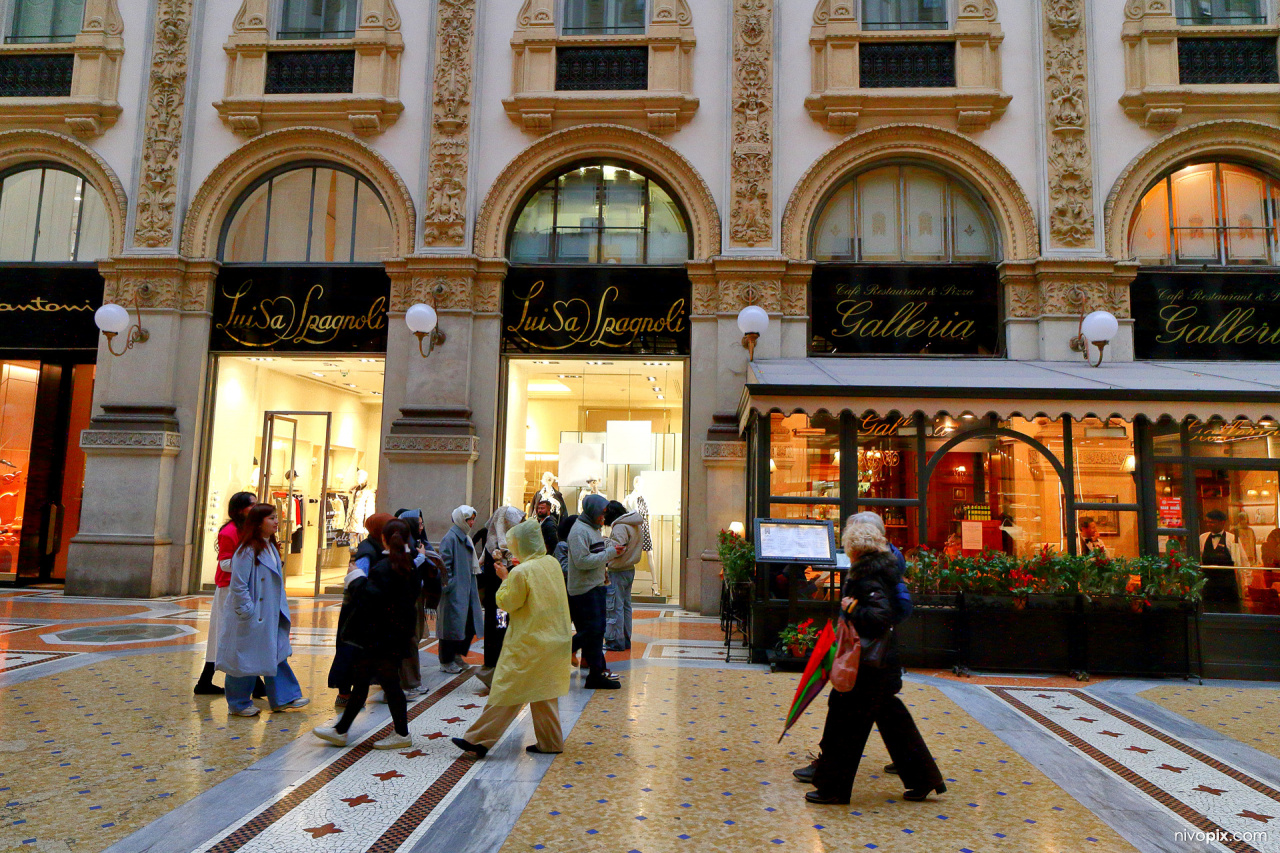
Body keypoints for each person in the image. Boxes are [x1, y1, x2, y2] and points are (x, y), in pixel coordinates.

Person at [802, 516, 944, 805]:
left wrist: (851, 606)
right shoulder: (884, 570)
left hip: (866, 667)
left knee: (844, 724)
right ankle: (924, 780)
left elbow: (879, 617)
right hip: (880, 666)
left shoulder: (867, 577)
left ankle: (833, 789)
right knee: (895, 722)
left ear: (854, 549)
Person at [453, 519, 574, 759]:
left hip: (529, 642)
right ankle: (550, 742)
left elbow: (507, 602)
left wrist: (505, 578)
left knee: (507, 689)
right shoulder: (550, 563)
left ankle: (478, 739)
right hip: (555, 638)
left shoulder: (522, 572)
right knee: (543, 691)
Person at [313, 519, 424, 750]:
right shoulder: (409, 564)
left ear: (383, 538)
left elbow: (369, 599)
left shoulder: (385, 567)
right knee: (363, 679)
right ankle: (341, 730)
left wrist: (355, 579)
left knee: (389, 683)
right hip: (394, 634)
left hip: (379, 636)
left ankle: (401, 734)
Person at [217, 504, 310, 717]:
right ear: (259, 522)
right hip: (252, 613)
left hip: (268, 611)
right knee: (244, 659)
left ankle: (285, 697)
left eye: (276, 517)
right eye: (272, 518)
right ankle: (238, 703)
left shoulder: (270, 546)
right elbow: (238, 584)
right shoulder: (247, 549)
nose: (277, 522)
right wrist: (247, 610)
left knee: (275, 651)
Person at [329, 512, 393, 707]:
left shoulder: (377, 546)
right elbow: (358, 578)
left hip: (366, 608)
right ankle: (345, 695)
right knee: (350, 651)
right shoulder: (368, 551)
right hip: (357, 610)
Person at [196, 491, 255, 696]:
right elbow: (225, 563)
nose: (255, 509)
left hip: (242, 586)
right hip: (229, 589)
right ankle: (207, 681)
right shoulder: (229, 532)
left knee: (237, 634)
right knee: (225, 633)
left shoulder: (248, 529)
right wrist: (253, 563)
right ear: (240, 509)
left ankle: (206, 681)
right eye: (252, 505)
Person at [566, 495, 623, 689]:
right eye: (601, 513)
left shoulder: (591, 529)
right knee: (593, 630)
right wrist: (610, 553)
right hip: (584, 590)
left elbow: (595, 552)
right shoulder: (579, 531)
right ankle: (569, 649)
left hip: (595, 586)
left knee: (596, 632)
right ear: (592, 511)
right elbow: (582, 561)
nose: (603, 517)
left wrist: (609, 548)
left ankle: (596, 674)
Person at [438, 505, 484, 673]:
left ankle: (457, 654)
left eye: (473, 520)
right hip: (456, 590)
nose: (471, 523)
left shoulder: (465, 537)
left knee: (467, 624)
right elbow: (444, 565)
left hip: (467, 588)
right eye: (468, 520)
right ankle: (447, 660)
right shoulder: (451, 538)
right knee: (450, 625)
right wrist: (450, 586)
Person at [603, 500, 644, 652]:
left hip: (618, 570)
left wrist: (604, 541)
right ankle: (625, 639)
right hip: (629, 569)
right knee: (626, 606)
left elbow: (617, 548)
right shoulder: (634, 523)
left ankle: (616, 641)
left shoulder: (620, 526)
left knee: (614, 606)